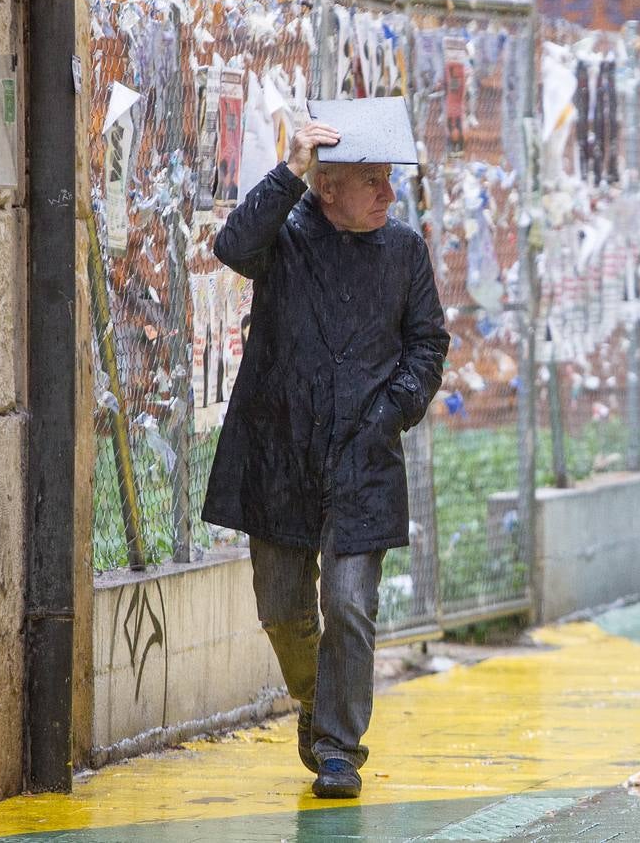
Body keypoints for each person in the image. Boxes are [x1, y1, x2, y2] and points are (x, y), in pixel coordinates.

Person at [201, 120, 449, 798]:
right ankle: (315, 700)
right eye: (372, 180)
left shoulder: (403, 251)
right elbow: (231, 245)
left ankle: (339, 748)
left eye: (389, 178)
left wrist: (389, 411)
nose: (389, 193)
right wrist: (289, 168)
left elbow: (428, 343)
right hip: (279, 450)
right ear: (328, 187)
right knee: (282, 608)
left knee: (348, 603)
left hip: (362, 455)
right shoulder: (287, 234)